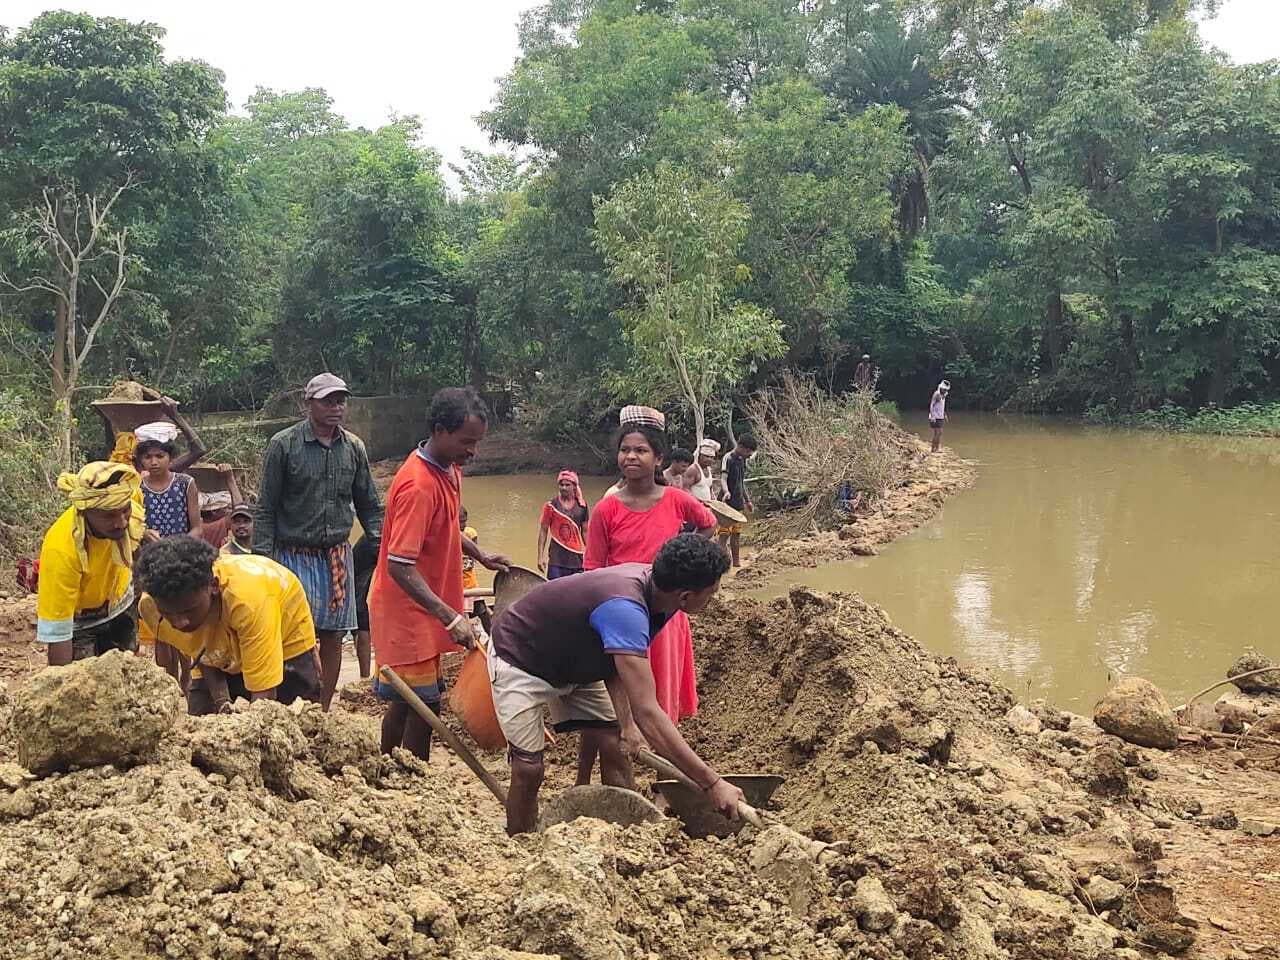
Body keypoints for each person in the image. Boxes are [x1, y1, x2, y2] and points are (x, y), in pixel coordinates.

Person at [490, 534, 742, 834]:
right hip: (521, 659)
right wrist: (711, 782)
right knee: (529, 769)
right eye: (710, 594)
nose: (712, 601)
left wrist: (626, 725)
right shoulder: (626, 608)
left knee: (616, 745)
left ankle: (631, 835)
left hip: (578, 661)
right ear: (686, 596)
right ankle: (521, 842)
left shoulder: (661, 592)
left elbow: (618, 661)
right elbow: (648, 713)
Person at [368, 387, 510, 760]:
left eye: (476, 443)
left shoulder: (449, 468)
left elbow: (446, 525)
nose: (472, 451)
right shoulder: (418, 485)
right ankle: (412, 774)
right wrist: (450, 616)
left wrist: (480, 554)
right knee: (423, 704)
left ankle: (390, 766)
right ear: (438, 430)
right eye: (466, 442)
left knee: (407, 700)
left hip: (425, 607)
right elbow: (399, 564)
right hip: (407, 610)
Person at [582, 412, 717, 784]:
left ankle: (664, 783)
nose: (631, 457)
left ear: (658, 459)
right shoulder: (607, 508)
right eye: (625, 450)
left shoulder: (676, 500)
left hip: (667, 612)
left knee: (663, 696)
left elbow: (709, 524)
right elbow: (593, 568)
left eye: (641, 450)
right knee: (620, 698)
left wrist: (684, 561)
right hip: (622, 612)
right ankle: (619, 779)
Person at [254, 372, 384, 710]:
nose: (336, 407)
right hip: (293, 554)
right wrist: (261, 561)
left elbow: (368, 504)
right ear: (308, 404)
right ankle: (290, 704)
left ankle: (323, 709)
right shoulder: (284, 445)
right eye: (328, 400)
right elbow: (266, 508)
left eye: (340, 400)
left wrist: (382, 545)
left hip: (337, 557)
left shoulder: (354, 448)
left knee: (333, 635)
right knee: (294, 635)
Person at [134, 537, 321, 715]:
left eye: (189, 611)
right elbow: (199, 649)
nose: (178, 623)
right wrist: (222, 703)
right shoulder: (153, 607)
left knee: (295, 723)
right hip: (220, 646)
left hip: (283, 636)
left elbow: (264, 699)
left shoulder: (248, 601)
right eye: (169, 614)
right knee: (201, 725)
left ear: (213, 586)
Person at [35, 462, 146, 666]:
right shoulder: (61, 550)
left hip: (120, 604)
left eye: (124, 511)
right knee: (86, 685)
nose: (122, 522)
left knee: (126, 674)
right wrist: (63, 686)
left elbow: (136, 527)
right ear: (85, 512)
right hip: (81, 623)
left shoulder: (127, 495)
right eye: (109, 516)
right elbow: (59, 632)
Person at [135, 422, 203, 543]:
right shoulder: (137, 487)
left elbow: (197, 529)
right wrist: (144, 533)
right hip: (149, 554)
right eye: (148, 457)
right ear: (141, 460)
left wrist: (176, 546)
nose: (154, 462)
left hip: (181, 553)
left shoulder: (185, 483)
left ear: (171, 458)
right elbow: (132, 525)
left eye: (160, 456)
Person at [537, 470, 589, 580]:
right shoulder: (551, 506)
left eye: (567, 485)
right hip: (556, 559)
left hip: (576, 558)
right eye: (561, 484)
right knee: (554, 592)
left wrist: (590, 554)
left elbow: (585, 531)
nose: (564, 488)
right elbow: (543, 530)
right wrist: (540, 557)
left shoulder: (582, 507)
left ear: (574, 487)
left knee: (576, 591)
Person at [718, 435, 758, 568]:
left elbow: (741, 481)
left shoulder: (742, 460)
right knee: (724, 535)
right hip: (726, 502)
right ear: (741, 447)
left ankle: (736, 563)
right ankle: (723, 565)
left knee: (737, 533)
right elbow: (723, 478)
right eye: (748, 452)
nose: (749, 455)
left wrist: (748, 500)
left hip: (738, 502)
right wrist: (726, 491)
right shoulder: (728, 458)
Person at [352, 534, 377, 680]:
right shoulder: (376, 535)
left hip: (367, 571)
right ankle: (365, 677)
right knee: (363, 623)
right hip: (362, 575)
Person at [930, 380, 950, 453]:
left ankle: (937, 448)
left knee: (939, 433)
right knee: (937, 432)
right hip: (935, 416)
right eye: (944, 389)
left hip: (940, 416)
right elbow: (932, 405)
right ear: (941, 388)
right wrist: (932, 416)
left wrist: (944, 414)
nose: (945, 391)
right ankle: (933, 449)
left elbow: (941, 406)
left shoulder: (943, 395)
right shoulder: (936, 394)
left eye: (946, 390)